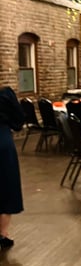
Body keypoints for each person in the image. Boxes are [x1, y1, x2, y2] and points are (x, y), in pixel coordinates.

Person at [0, 85, 25, 250]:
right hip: (2, 142)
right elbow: (19, 120)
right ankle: (2, 234)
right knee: (6, 187)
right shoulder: (5, 94)